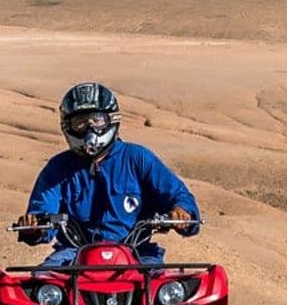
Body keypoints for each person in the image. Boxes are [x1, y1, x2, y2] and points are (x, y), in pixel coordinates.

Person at [15, 81, 200, 265]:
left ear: (111, 119)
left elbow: (178, 195)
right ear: (67, 126)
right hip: (73, 255)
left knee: (167, 289)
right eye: (80, 123)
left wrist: (181, 213)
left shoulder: (138, 158)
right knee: (40, 285)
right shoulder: (58, 168)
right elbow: (42, 211)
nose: (89, 129)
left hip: (136, 252)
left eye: (97, 120)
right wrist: (34, 226)